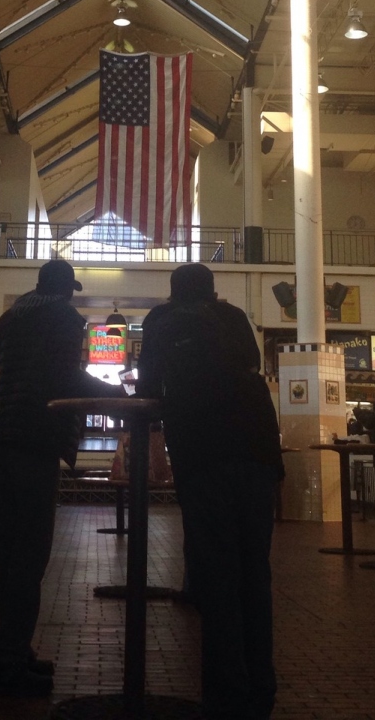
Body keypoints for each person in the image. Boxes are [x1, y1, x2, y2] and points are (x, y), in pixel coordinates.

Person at [138, 262, 282, 720]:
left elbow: (146, 386)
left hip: (203, 454)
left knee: (216, 573)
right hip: (258, 451)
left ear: (173, 292)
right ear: (213, 290)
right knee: (254, 571)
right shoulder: (234, 316)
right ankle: (261, 690)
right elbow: (252, 364)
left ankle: (226, 695)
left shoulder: (162, 320)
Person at [0, 258, 118, 699]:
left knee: (11, 551)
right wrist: (117, 394)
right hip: (36, 436)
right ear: (65, 289)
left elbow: (5, 365)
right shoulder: (62, 316)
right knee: (30, 552)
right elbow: (65, 376)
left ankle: (13, 650)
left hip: (5, 434)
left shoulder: (11, 316)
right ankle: (7, 662)